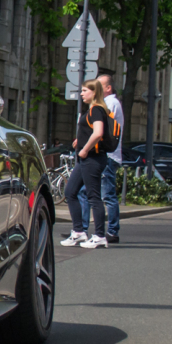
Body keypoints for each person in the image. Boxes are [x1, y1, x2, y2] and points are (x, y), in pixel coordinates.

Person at [61, 79, 110, 249]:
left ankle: (99, 236)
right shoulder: (91, 110)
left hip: (92, 159)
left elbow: (98, 133)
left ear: (94, 92)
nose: (81, 94)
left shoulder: (96, 109)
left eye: (84, 91)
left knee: (93, 196)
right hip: (86, 159)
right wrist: (79, 141)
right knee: (70, 191)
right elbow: (89, 130)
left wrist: (85, 149)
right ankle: (79, 232)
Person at [75, 73, 123, 242]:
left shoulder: (108, 104)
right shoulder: (102, 105)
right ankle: (82, 230)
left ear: (107, 88)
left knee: (104, 194)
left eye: (99, 86)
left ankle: (109, 232)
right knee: (85, 192)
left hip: (104, 154)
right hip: (104, 154)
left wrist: (85, 148)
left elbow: (99, 130)